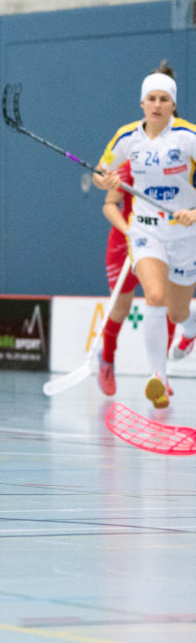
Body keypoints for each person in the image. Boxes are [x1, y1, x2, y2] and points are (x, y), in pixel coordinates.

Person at [97, 62, 195, 409]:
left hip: (185, 234)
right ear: (142, 103)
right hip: (144, 230)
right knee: (154, 297)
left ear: (173, 104)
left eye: (163, 99)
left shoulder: (188, 137)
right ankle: (159, 377)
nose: (156, 105)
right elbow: (100, 172)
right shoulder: (127, 137)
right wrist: (104, 178)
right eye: (150, 99)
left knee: (179, 311)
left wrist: (194, 214)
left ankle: (191, 327)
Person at [96, 160, 175, 395]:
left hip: (164, 241)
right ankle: (107, 360)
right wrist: (129, 230)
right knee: (120, 309)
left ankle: (159, 374)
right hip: (125, 240)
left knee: (167, 305)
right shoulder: (133, 164)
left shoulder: (184, 163)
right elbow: (109, 204)